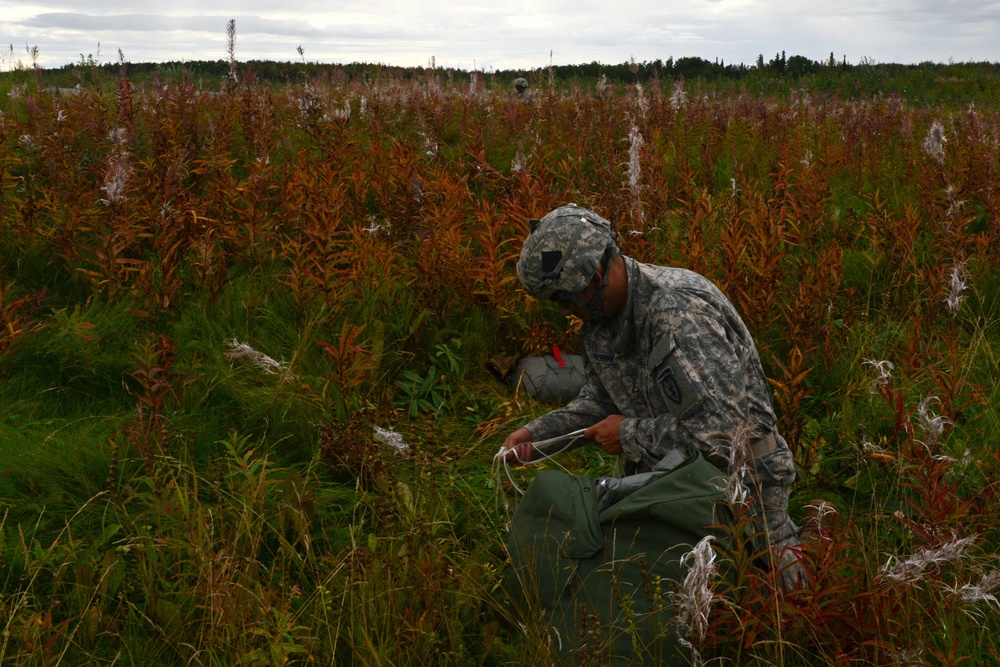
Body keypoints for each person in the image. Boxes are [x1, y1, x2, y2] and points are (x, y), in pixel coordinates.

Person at [502, 203, 806, 590]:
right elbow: (599, 401)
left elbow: (724, 436)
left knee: (774, 597)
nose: (565, 310)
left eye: (566, 299)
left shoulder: (679, 313)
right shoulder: (601, 322)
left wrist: (628, 435)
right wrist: (538, 435)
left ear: (595, 279)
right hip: (665, 484)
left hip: (742, 489)